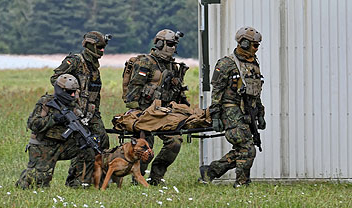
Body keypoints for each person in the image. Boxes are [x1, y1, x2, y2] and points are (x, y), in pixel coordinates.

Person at [198, 26, 266, 188]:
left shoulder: (253, 63)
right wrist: (215, 115)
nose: (256, 49)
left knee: (243, 150)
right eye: (254, 45)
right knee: (247, 149)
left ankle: (211, 172)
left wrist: (261, 114)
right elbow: (217, 92)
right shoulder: (227, 63)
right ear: (243, 43)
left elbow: (255, 92)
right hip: (231, 112)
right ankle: (242, 183)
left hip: (247, 113)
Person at [124, 29, 189, 185]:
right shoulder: (146, 62)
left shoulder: (173, 66)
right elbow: (133, 90)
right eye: (170, 44)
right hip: (145, 112)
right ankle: (137, 181)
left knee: (175, 142)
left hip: (165, 113)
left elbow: (177, 91)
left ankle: (156, 177)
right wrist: (137, 115)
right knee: (145, 147)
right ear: (160, 43)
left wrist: (185, 107)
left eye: (175, 44)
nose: (173, 47)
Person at [50, 31, 111, 187]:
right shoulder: (75, 61)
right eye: (100, 47)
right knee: (82, 143)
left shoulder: (94, 69)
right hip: (73, 111)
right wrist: (70, 98)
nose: (102, 51)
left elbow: (94, 95)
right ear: (90, 45)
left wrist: (95, 114)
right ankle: (76, 181)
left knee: (102, 140)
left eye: (104, 48)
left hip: (90, 113)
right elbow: (55, 79)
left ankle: (97, 178)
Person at [16, 74, 90, 188]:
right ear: (61, 90)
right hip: (42, 146)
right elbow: (32, 124)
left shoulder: (73, 105)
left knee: (86, 149)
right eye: (70, 92)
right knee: (39, 183)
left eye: (75, 92)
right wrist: (54, 119)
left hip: (62, 144)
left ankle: (75, 182)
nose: (73, 95)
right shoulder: (46, 102)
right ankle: (25, 179)